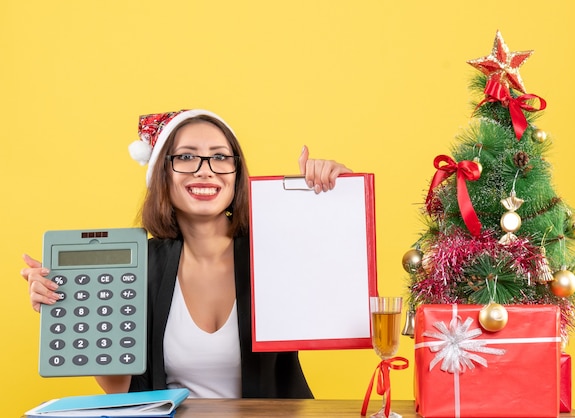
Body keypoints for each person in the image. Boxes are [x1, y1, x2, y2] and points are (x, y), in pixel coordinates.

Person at [21, 109, 352, 398]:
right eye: (186, 156)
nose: (205, 170)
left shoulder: (274, 254)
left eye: (221, 157)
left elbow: (341, 281)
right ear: (162, 174)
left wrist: (342, 192)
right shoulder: (140, 266)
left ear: (237, 175)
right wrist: (73, 305)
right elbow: (119, 388)